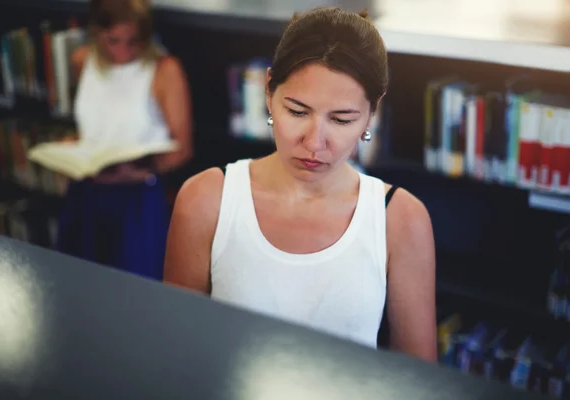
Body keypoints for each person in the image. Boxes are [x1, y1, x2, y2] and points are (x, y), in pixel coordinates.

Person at [164, 7, 436, 361]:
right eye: (297, 111)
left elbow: (418, 379)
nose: (314, 142)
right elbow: (175, 350)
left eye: (341, 119)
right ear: (268, 92)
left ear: (372, 112)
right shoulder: (206, 199)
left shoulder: (401, 219)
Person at [56, 0, 193, 281]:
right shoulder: (83, 61)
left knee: (138, 288)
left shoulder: (165, 70)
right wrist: (70, 149)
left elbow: (183, 148)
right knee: (80, 284)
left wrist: (142, 170)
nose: (122, 52)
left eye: (133, 42)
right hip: (86, 194)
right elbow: (95, 127)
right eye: (113, 41)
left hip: (138, 197)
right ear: (96, 34)